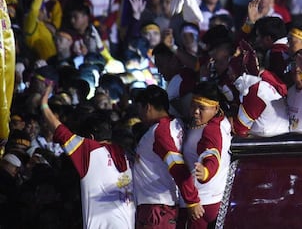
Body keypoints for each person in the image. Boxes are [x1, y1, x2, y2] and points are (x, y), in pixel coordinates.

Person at [40, 83, 135, 229]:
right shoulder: (127, 154)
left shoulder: (89, 149)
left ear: (90, 137)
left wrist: (44, 105)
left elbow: (59, 130)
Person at [133, 85, 202, 228]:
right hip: (161, 205)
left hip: (156, 208)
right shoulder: (176, 124)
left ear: (148, 107)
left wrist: (192, 200)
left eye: (139, 108)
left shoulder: (160, 133)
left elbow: (177, 166)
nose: (138, 114)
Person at [180, 81, 232, 229]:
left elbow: (212, 154)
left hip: (200, 204)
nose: (195, 112)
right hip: (211, 199)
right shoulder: (221, 122)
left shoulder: (211, 130)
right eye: (193, 106)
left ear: (215, 108)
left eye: (201, 108)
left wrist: (206, 172)